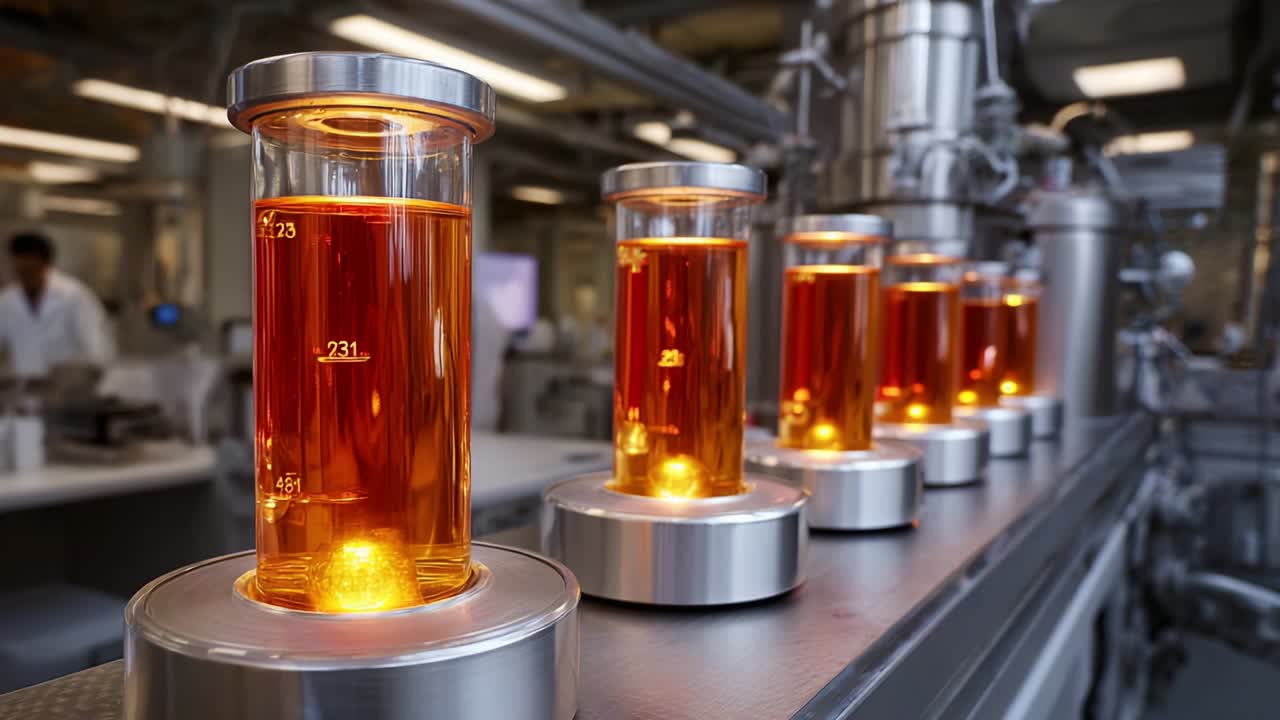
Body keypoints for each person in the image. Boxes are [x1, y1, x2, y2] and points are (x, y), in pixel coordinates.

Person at [0, 232, 113, 377]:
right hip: (21, 391)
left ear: (45, 264)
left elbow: (99, 347)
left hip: (66, 391)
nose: (25, 275)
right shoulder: (7, 301)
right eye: (20, 270)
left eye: (31, 270)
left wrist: (92, 380)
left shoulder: (74, 295)